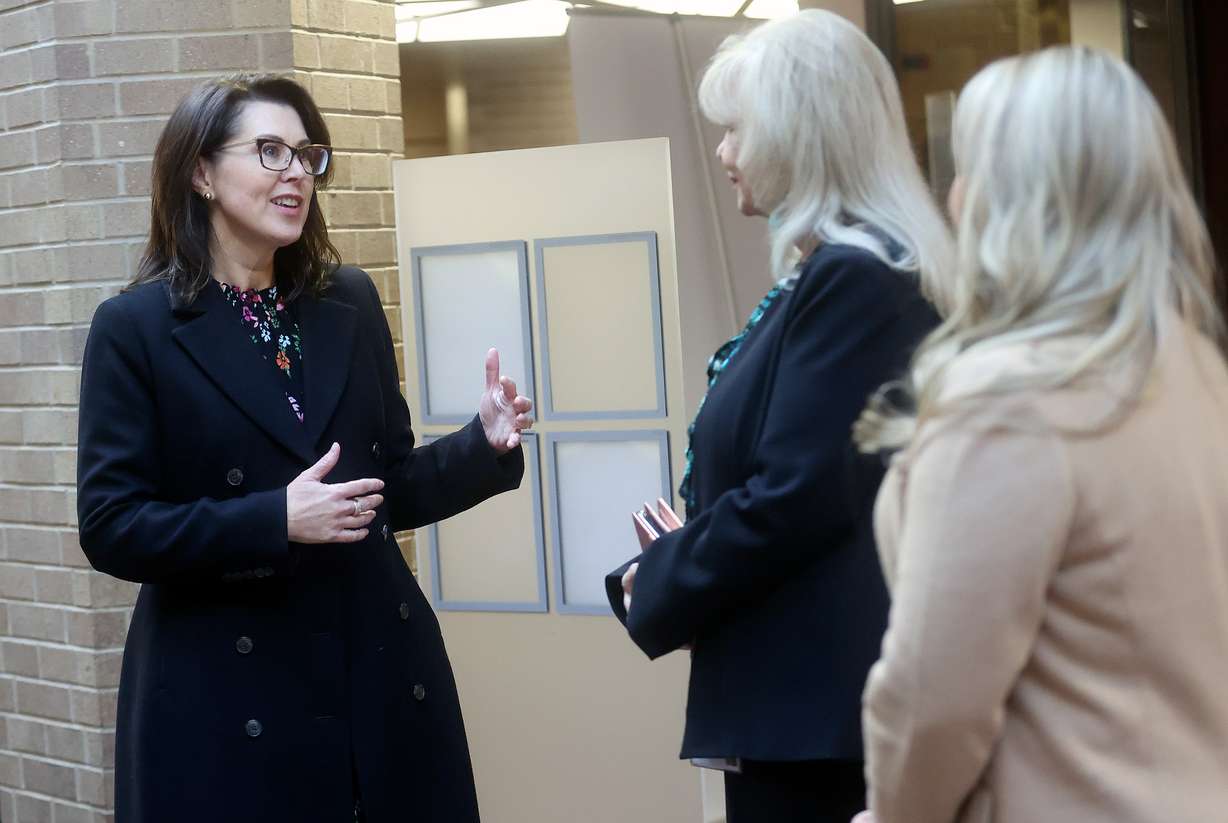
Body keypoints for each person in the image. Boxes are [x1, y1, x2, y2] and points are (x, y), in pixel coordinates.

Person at [76, 73, 533, 823]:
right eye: (269, 151)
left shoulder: (344, 300)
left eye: (306, 154)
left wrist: (481, 446)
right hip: (226, 693)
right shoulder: (136, 328)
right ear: (200, 171)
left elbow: (388, 488)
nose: (296, 173)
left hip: (374, 668)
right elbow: (112, 524)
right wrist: (272, 518)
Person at [855, 47, 1228, 823]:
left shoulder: (1010, 399)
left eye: (966, 169)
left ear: (1011, 199)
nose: (954, 197)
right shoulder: (1194, 368)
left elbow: (933, 697)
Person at [603, 11, 951, 822]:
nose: (722, 154)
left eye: (736, 130)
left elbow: (796, 496)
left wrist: (662, 579)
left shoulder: (854, 280)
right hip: (805, 713)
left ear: (801, 135)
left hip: (821, 729)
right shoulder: (839, 274)